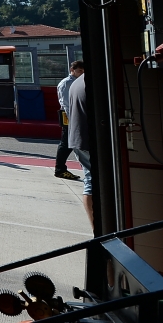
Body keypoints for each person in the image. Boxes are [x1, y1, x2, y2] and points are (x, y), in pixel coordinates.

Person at [67, 68, 95, 229]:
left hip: (79, 138)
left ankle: (98, 229)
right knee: (91, 183)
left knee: (90, 181)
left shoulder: (77, 83)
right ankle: (99, 230)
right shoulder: (93, 82)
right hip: (87, 139)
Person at [54, 61, 85, 180]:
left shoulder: (78, 82)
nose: (82, 73)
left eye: (83, 71)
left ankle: (61, 169)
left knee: (71, 142)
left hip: (75, 115)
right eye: (79, 71)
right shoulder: (67, 83)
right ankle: (60, 169)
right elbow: (66, 103)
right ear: (72, 70)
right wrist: (73, 119)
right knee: (66, 143)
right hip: (69, 116)